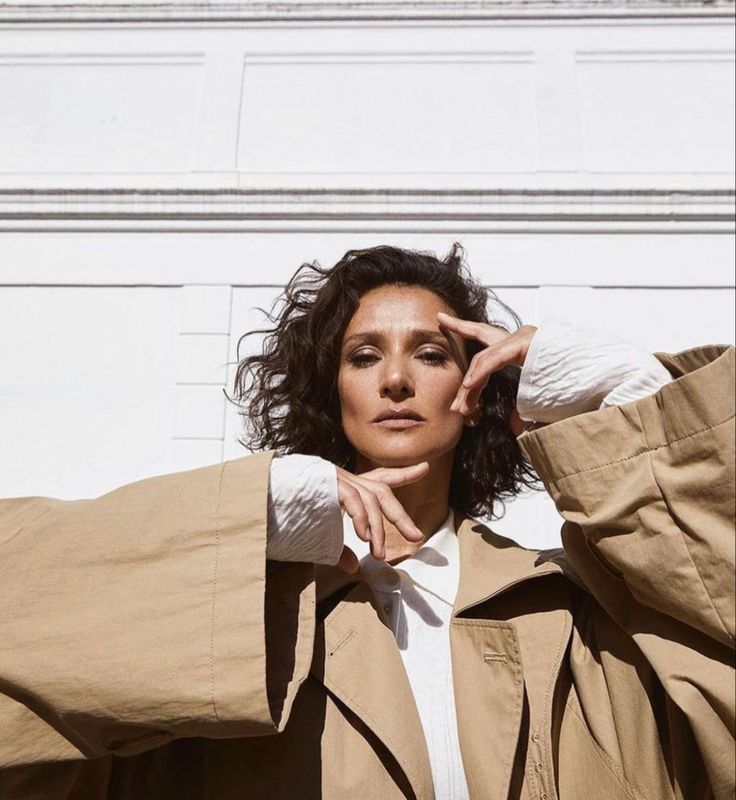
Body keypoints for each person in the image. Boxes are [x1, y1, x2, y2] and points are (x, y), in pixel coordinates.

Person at [0, 244, 733, 800]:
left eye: (431, 352)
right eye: (363, 355)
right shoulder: (231, 613)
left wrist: (644, 411)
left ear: (473, 390)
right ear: (333, 391)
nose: (395, 379)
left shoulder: (575, 609)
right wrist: (254, 518)